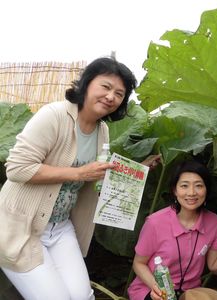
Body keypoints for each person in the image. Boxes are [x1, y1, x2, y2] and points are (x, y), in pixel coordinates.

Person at [0, 57, 160, 300]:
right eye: (105, 87)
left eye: (119, 93)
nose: (111, 97)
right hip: (22, 227)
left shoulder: (102, 130)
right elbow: (17, 168)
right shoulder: (54, 115)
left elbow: (95, 173)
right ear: (86, 84)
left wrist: (137, 169)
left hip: (60, 226)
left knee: (83, 296)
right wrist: (79, 173)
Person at [128, 160, 217, 300]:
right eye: (184, 186)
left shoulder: (213, 222)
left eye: (199, 186)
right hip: (153, 290)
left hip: (190, 293)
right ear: (175, 190)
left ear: (206, 189)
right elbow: (138, 263)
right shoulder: (155, 222)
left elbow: (214, 267)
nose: (192, 192)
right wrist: (157, 289)